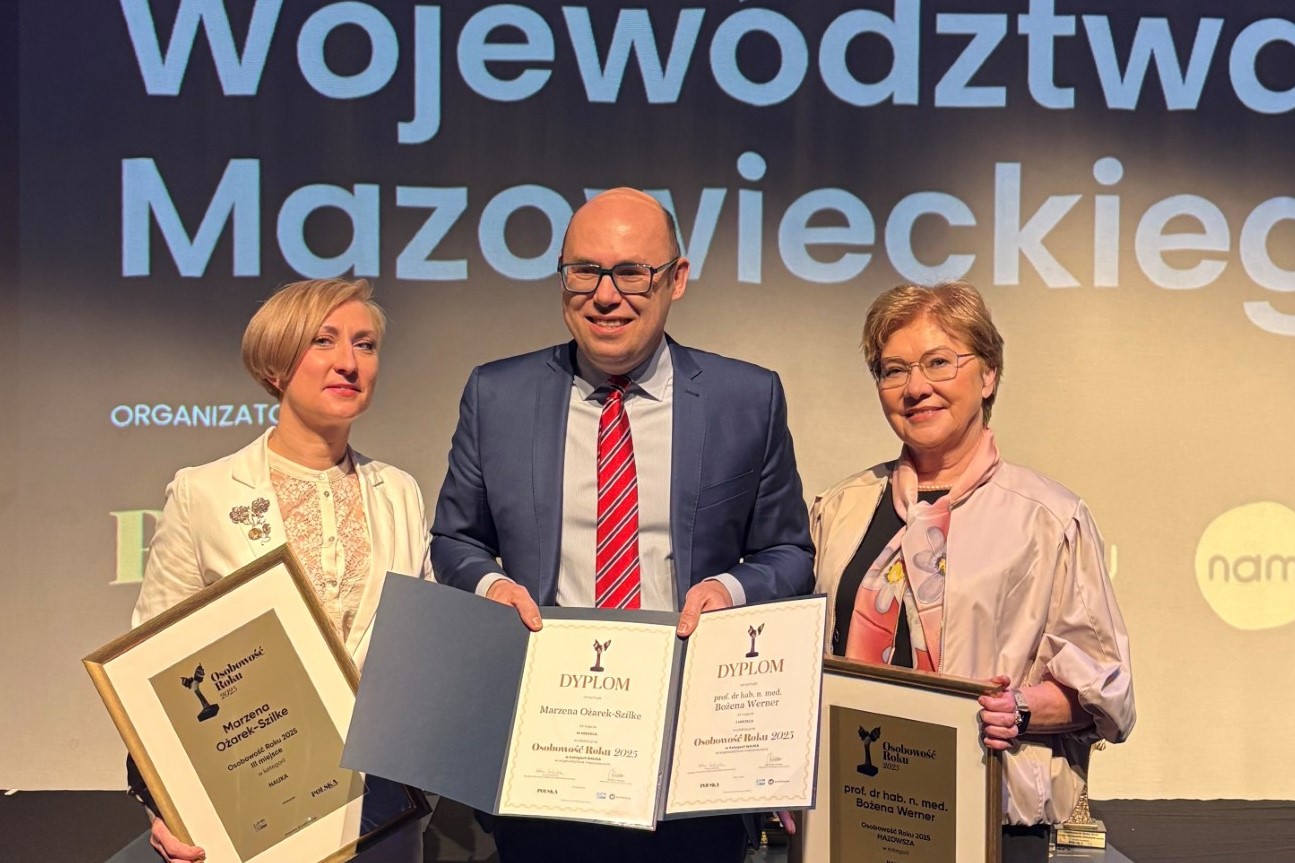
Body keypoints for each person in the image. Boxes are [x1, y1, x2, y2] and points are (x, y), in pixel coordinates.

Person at [430, 187, 814, 863]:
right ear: (562, 279)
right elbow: (456, 538)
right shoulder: (497, 394)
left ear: (676, 279)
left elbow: (785, 549)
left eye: (631, 272)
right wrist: (493, 589)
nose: (606, 295)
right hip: (545, 750)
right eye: (585, 271)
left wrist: (726, 589)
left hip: (688, 753)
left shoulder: (745, 398)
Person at [808, 281, 1134, 863]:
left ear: (988, 375)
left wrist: (1021, 709)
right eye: (893, 369)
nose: (916, 388)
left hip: (990, 822)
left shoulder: (1049, 517)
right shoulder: (841, 507)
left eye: (939, 362)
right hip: (851, 813)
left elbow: (1105, 690)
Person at [130, 278, 433, 863]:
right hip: (249, 795)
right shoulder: (204, 492)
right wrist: (166, 808)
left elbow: (420, 651)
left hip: (379, 803)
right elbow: (151, 668)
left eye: (365, 345)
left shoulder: (400, 492)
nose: (349, 363)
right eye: (325, 341)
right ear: (275, 365)